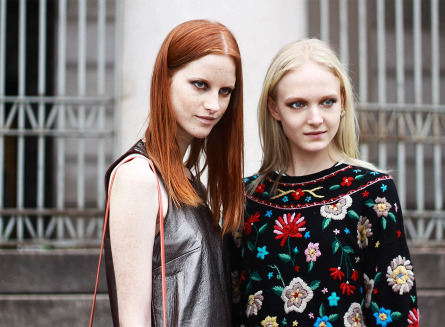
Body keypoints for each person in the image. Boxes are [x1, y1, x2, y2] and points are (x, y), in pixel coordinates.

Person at [236, 39, 418, 327]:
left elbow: (395, 305)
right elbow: (232, 301)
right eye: (297, 104)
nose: (316, 118)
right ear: (274, 108)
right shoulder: (247, 197)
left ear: (342, 102)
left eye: (327, 102)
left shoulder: (372, 191)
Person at [103, 20, 244, 326]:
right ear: (164, 79)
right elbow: (133, 320)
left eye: (225, 91)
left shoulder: (188, 179)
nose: (213, 105)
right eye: (200, 84)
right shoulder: (139, 177)